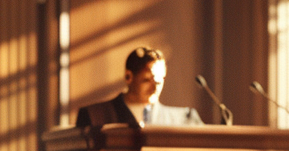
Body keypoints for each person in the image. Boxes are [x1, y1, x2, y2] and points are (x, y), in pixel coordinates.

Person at [75, 46, 204, 128]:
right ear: (128, 76)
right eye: (147, 80)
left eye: (160, 80)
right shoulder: (95, 117)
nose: (155, 88)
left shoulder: (184, 120)